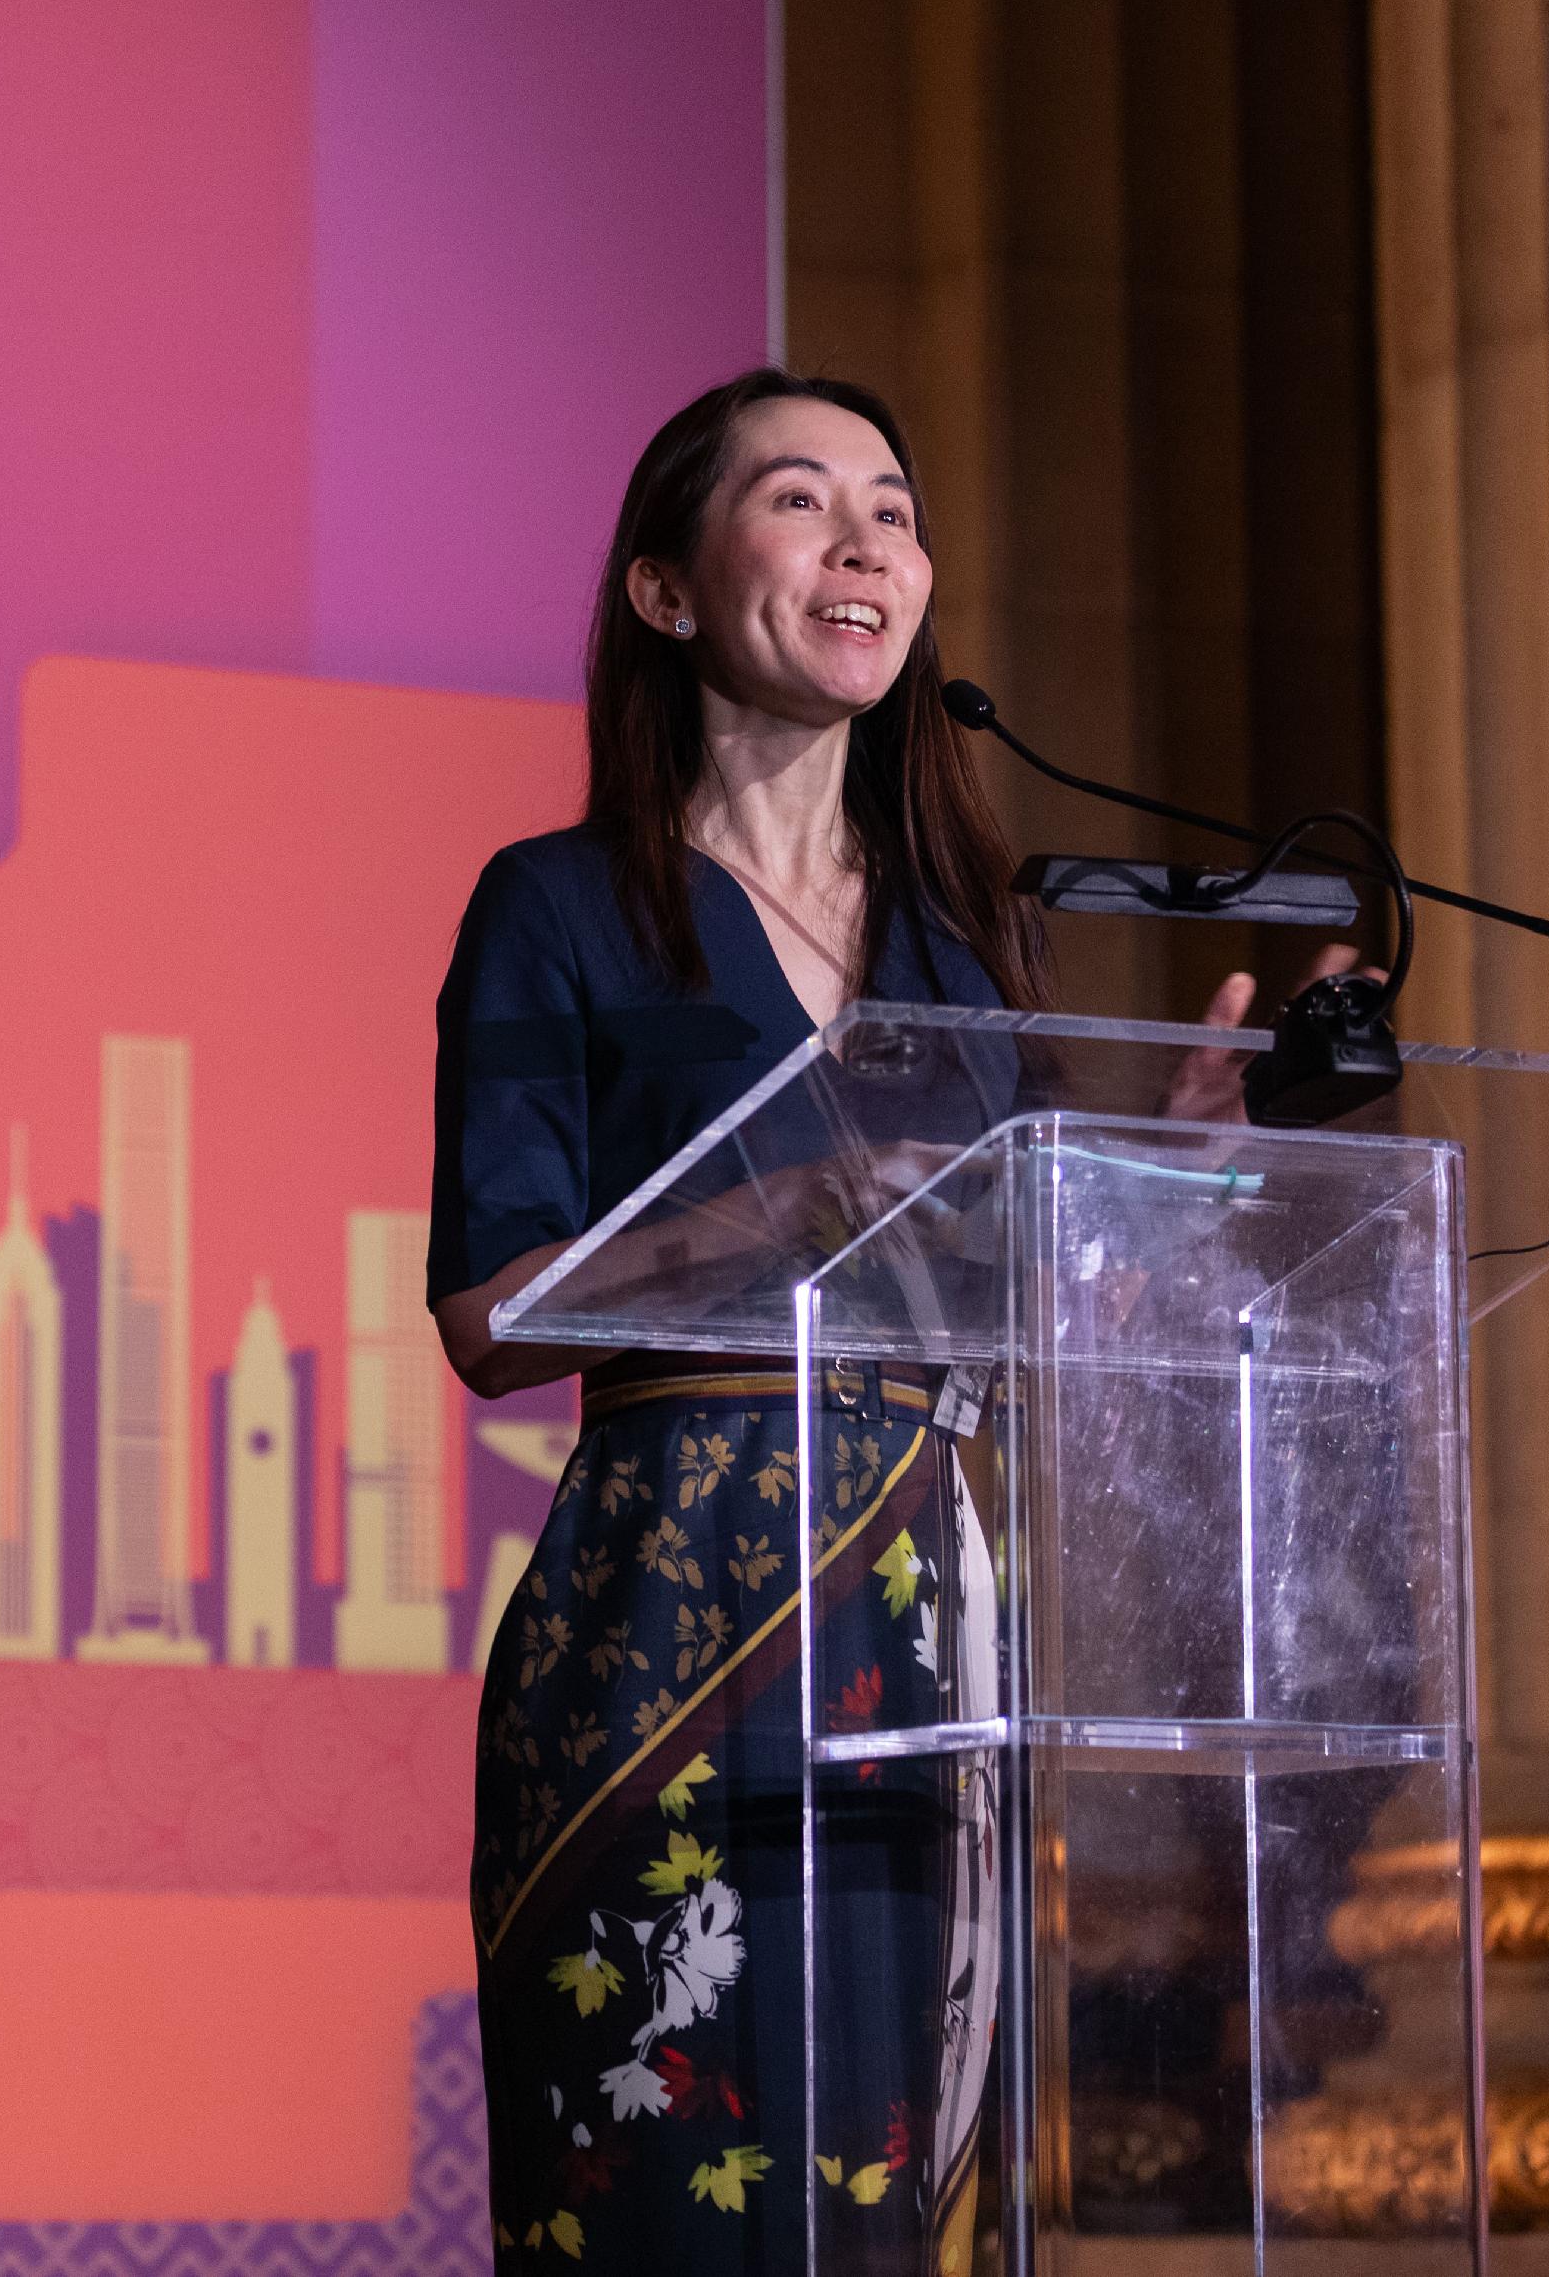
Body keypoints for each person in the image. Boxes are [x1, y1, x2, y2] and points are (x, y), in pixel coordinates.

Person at [428, 367, 1044, 2271]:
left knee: (876, 2188)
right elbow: (489, 1307)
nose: (867, 542)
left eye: (894, 507)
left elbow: (1017, 1281)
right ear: (666, 592)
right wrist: (767, 1216)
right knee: (669, 2189)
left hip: (922, 1605)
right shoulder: (559, 906)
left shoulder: (969, 932)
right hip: (670, 1593)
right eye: (800, 501)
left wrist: (1177, 1161)